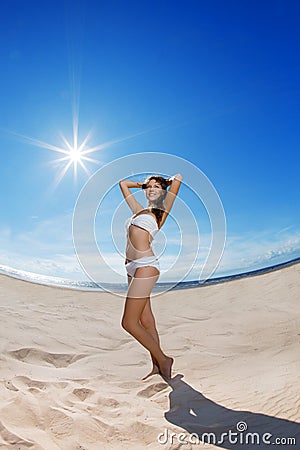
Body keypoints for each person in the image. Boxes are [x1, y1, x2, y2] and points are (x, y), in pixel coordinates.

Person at [119, 173, 182, 380]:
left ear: (162, 191)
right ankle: (156, 366)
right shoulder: (138, 210)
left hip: (146, 266)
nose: (152, 189)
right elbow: (123, 184)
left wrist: (166, 183)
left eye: (157, 187)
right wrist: (143, 184)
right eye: (149, 187)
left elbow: (178, 179)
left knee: (129, 323)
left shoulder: (160, 212)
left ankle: (164, 359)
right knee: (146, 321)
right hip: (131, 268)